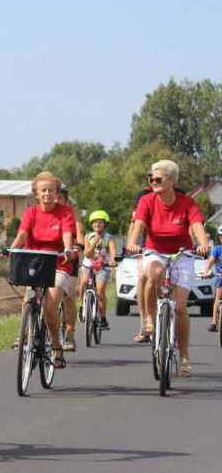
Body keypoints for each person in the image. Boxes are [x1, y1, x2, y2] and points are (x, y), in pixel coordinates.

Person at [125, 159, 210, 376]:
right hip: (154, 251)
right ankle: (149, 319)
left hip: (182, 255)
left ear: (172, 181)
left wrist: (203, 245)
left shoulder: (187, 203)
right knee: (154, 273)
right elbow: (139, 225)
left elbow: (197, 226)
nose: (153, 182)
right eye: (151, 178)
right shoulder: (147, 201)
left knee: (180, 308)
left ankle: (184, 358)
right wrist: (133, 244)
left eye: (158, 179)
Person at [8, 171, 76, 369]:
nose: (47, 194)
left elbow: (66, 233)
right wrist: (12, 249)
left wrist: (67, 249)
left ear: (57, 193)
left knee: (49, 307)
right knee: (29, 298)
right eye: (43, 191)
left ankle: (56, 347)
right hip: (34, 264)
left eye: (51, 191)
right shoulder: (31, 213)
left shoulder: (65, 212)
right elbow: (22, 234)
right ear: (36, 194)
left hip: (58, 263)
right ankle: (27, 335)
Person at [80, 210, 118, 330]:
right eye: (95, 222)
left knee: (100, 290)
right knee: (83, 283)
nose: (97, 225)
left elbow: (113, 250)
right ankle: (83, 306)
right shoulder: (88, 237)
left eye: (100, 222)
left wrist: (113, 260)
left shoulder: (109, 238)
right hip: (88, 265)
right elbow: (87, 254)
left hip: (102, 266)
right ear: (92, 225)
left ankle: (102, 317)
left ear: (105, 224)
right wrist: (95, 241)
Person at [58, 184, 83, 351]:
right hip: (49, 257)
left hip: (69, 258)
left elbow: (79, 231)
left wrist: (79, 244)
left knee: (68, 296)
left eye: (60, 196)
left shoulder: (73, 213)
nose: (56, 199)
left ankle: (70, 333)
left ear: (65, 198)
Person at [199, 231, 222, 332]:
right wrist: (206, 272)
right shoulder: (217, 249)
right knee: (218, 296)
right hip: (220, 277)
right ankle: (214, 322)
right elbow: (210, 262)